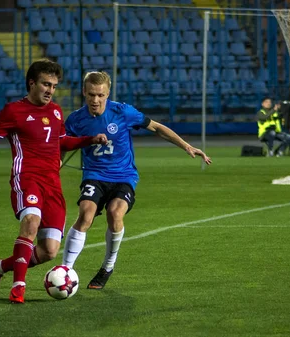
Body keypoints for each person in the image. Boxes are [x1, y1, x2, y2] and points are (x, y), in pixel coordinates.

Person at [0, 59, 108, 304]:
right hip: (27, 178)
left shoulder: (56, 111)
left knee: (49, 251)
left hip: (53, 185)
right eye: (46, 84)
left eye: (54, 86)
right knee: (31, 223)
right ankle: (18, 288)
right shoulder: (14, 111)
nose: (50, 90)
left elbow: (61, 142)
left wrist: (90, 139)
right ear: (32, 83)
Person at [61, 71, 212, 289]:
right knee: (85, 214)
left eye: (100, 95)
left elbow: (157, 127)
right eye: (91, 95)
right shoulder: (76, 119)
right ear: (84, 92)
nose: (95, 100)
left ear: (108, 93)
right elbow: (62, 144)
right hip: (94, 175)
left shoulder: (123, 112)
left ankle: (107, 266)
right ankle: (65, 270)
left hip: (123, 176)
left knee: (115, 213)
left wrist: (186, 146)